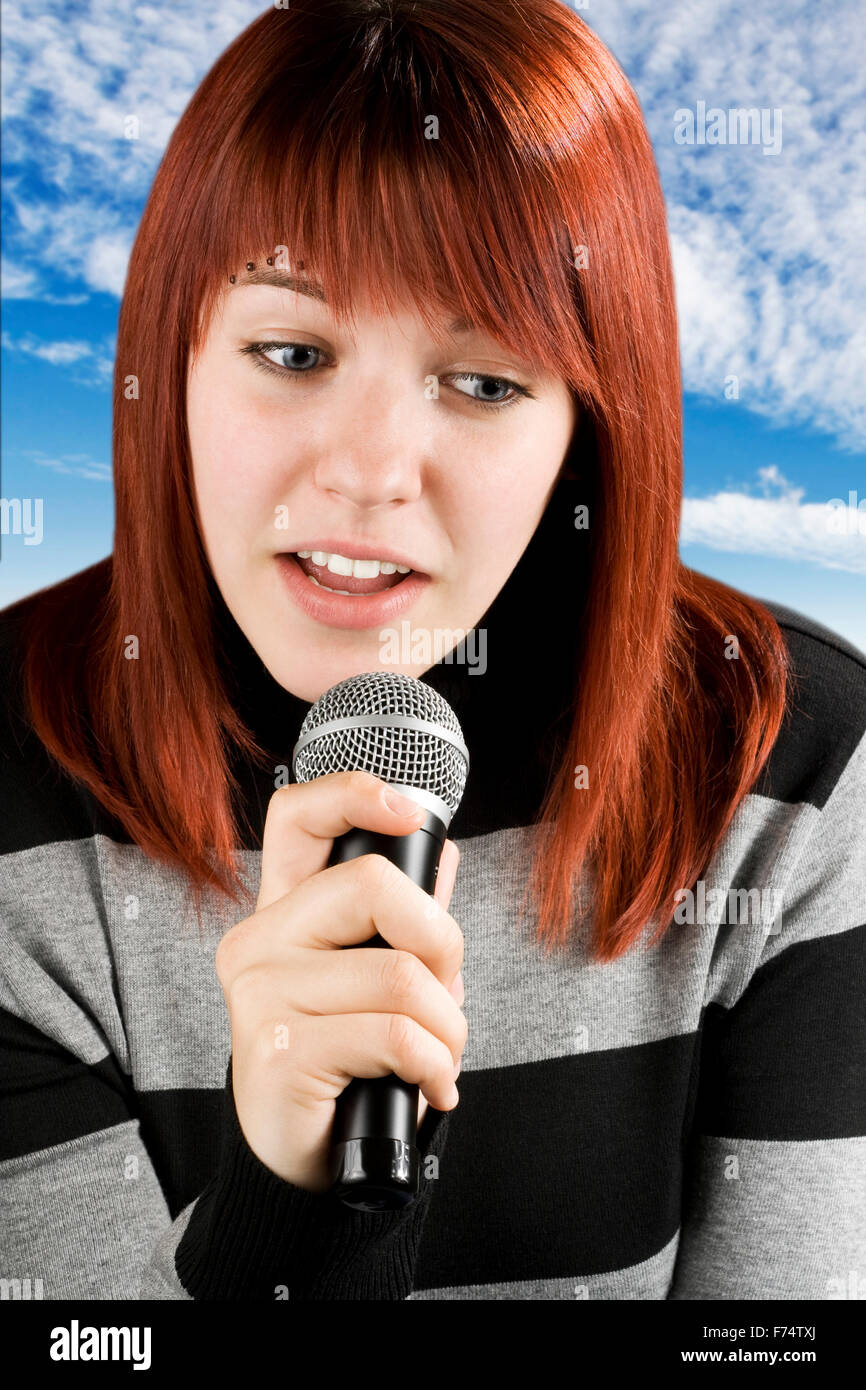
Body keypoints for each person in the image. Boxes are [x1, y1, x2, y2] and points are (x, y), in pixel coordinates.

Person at [1, 0, 863, 1301]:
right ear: (167, 360)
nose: (366, 475)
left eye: (483, 381)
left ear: (588, 421)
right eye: (290, 349)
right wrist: (295, 1220)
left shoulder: (791, 768)